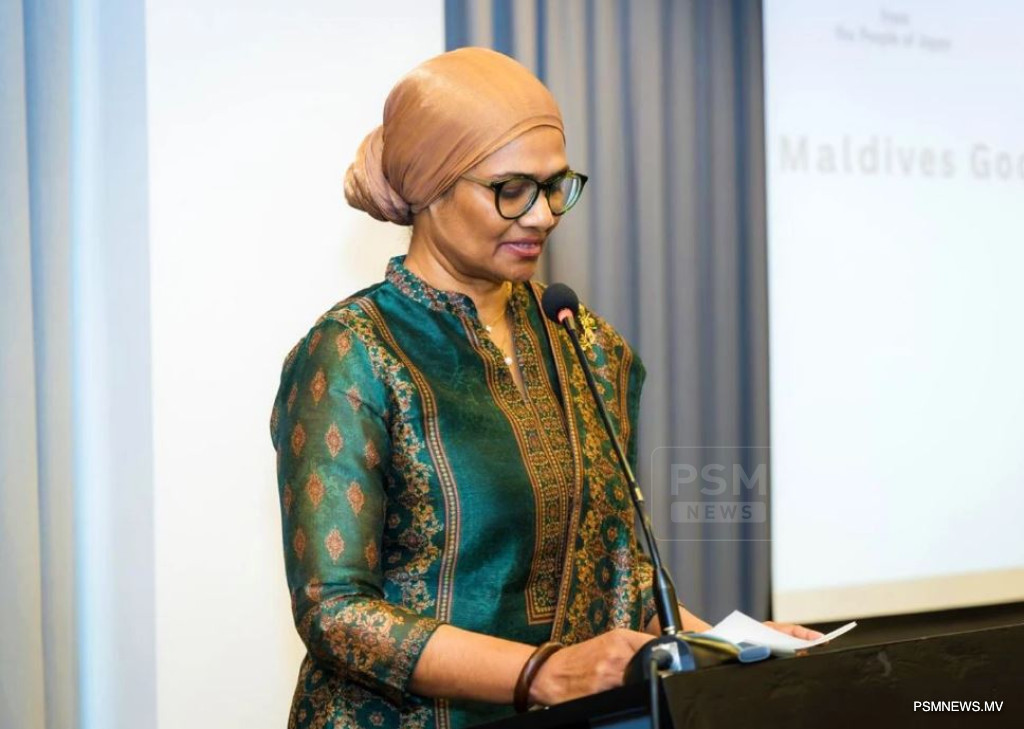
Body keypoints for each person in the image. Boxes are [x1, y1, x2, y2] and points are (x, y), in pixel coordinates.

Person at [270, 47, 818, 729]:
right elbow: (335, 611)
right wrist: (541, 673)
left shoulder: (585, 343)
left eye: (556, 186)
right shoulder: (353, 351)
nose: (542, 215)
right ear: (432, 188)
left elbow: (617, 580)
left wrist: (732, 650)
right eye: (512, 189)